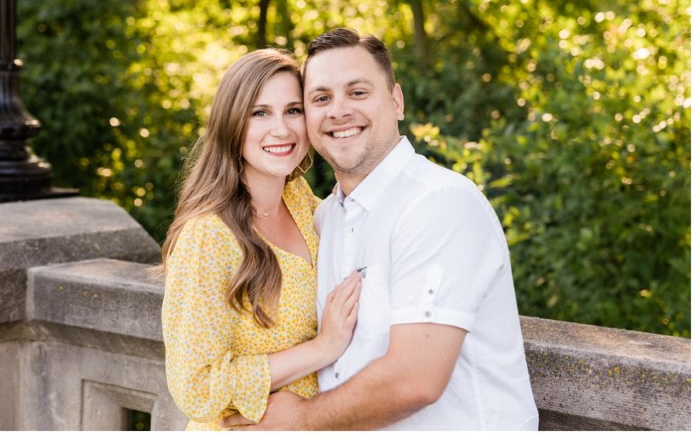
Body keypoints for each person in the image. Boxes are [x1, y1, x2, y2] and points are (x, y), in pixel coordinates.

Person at [224, 28, 538, 430]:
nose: (338, 111)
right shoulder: (326, 219)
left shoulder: (439, 203)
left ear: (396, 101)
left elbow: (416, 380)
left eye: (357, 92)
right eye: (321, 99)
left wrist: (300, 421)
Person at [160, 49, 362, 431]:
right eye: (260, 113)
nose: (282, 130)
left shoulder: (300, 200)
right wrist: (322, 349)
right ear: (232, 125)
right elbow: (196, 388)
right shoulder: (208, 236)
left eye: (292, 110)